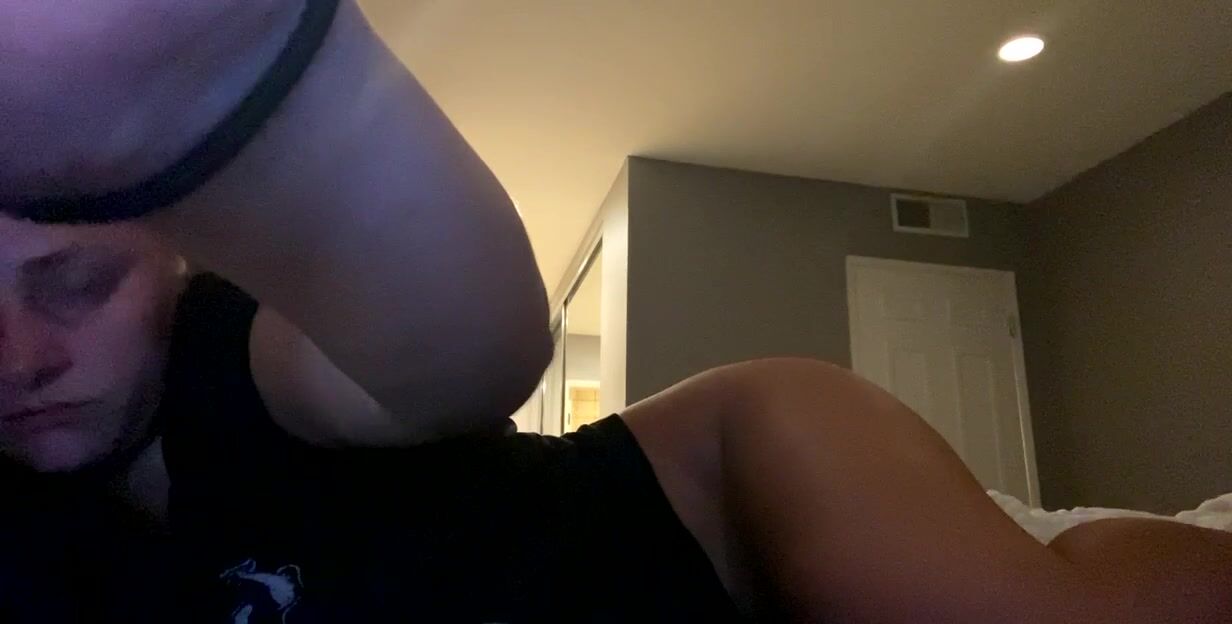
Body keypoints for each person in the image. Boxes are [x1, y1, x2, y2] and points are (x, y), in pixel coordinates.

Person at [2, 0, 1230, 622]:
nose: (15, 359)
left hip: (730, 483)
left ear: (173, 262)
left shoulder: (227, 352)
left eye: (72, 282)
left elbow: (466, 358)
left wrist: (259, 94)